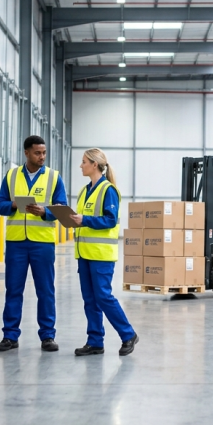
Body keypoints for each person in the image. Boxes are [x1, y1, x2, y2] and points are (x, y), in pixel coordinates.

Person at [0, 135, 67, 353]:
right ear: (26, 152)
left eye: (44, 152)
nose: (42, 156)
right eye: (37, 153)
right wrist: (14, 205)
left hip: (42, 244)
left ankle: (47, 336)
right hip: (16, 243)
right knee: (13, 290)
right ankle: (10, 336)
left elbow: (62, 207)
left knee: (46, 290)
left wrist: (46, 211)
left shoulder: (54, 177)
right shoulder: (12, 175)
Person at [67, 148, 138, 357]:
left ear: (94, 165)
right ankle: (95, 341)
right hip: (84, 254)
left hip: (101, 256)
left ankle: (128, 334)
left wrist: (84, 220)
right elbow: (84, 219)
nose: (80, 166)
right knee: (89, 299)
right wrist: (73, 221)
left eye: (83, 162)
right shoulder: (84, 191)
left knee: (103, 297)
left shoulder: (108, 190)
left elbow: (109, 220)